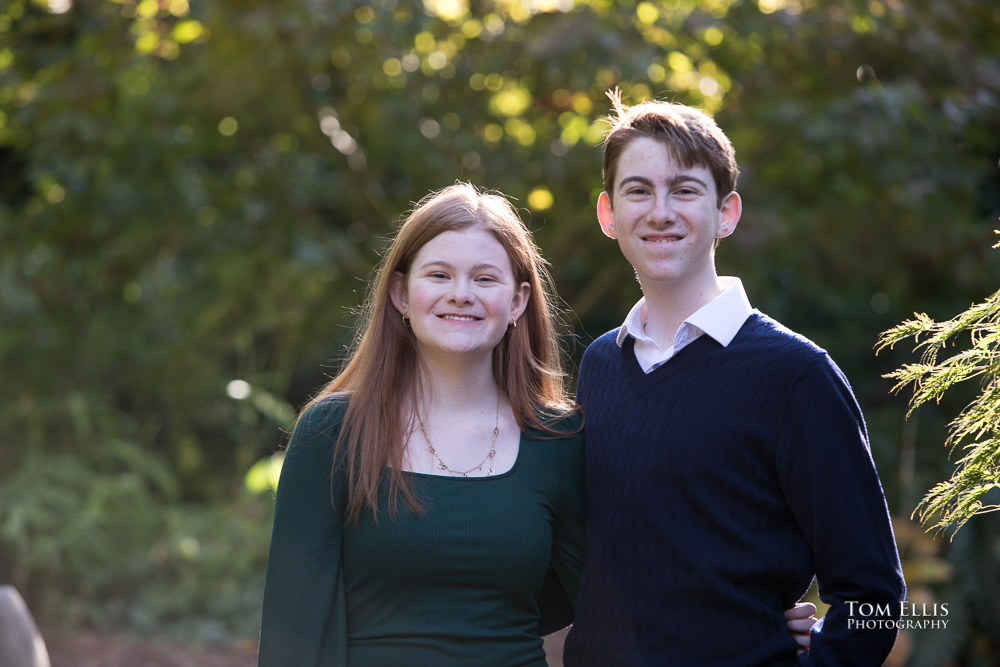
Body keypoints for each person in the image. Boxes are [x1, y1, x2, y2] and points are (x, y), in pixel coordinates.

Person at [256, 182, 817, 665]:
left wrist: (750, 618)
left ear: (519, 300)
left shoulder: (557, 439)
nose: (461, 295)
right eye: (439, 274)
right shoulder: (333, 434)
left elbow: (620, 589)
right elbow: (291, 635)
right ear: (402, 293)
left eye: (484, 278)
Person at [561, 92, 907, 666]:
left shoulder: (795, 376)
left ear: (727, 212)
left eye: (685, 190)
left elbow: (873, 597)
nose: (660, 211)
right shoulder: (601, 364)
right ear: (608, 214)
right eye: (639, 190)